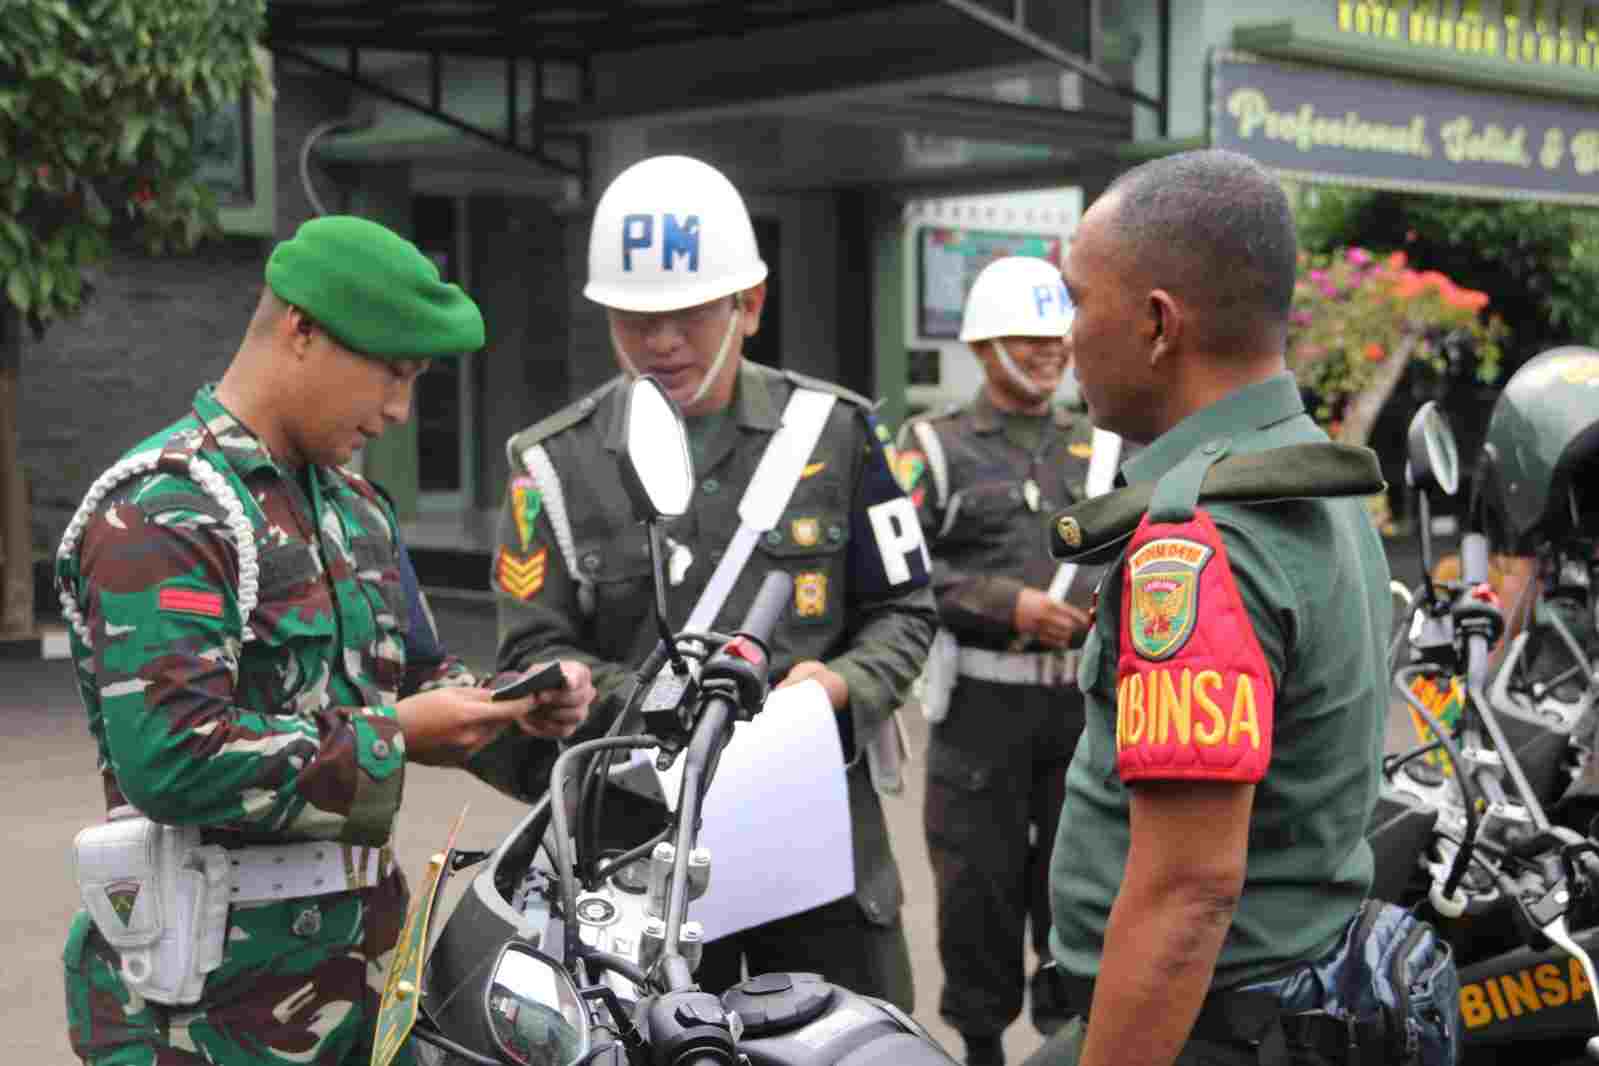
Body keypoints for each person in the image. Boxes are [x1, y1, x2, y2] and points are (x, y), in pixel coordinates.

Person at [56, 215, 597, 1066]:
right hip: (200, 1008)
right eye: (389, 373)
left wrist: (517, 708)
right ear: (301, 330)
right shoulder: (167, 510)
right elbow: (169, 757)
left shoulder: (355, 510)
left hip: (359, 983)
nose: (397, 410)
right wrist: (400, 736)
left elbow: (419, 674)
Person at [491, 154, 936, 1008]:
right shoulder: (554, 462)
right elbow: (534, 647)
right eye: (635, 319)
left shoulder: (835, 436)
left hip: (810, 846)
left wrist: (840, 685)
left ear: (750, 305)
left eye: (690, 316)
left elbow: (903, 609)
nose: (662, 344)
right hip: (632, 845)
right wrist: (659, 707)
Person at [1027, 150, 1420, 1066]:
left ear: (1158, 324)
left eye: (1078, 300)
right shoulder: (1304, 472)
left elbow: (1188, 893)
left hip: (1191, 1029)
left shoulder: (1197, 542)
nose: (1069, 333)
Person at [895, 256, 1096, 1066]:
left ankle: (1067, 1045)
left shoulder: (1100, 442)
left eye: (1057, 340)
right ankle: (980, 1050)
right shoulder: (933, 447)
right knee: (975, 899)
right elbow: (899, 576)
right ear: (983, 346)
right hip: (979, 711)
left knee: (1076, 894)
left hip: (1080, 714)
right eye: (1027, 340)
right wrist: (1004, 605)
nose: (1048, 354)